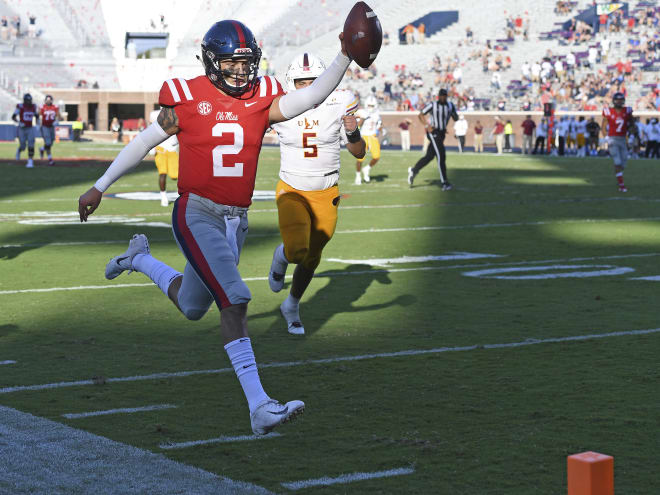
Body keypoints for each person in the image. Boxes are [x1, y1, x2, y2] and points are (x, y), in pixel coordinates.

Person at [77, 20, 354, 436]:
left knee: (192, 305)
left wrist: (345, 55)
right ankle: (260, 406)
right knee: (236, 299)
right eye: (232, 63)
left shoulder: (262, 98)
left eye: (247, 64)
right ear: (211, 62)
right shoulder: (186, 97)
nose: (242, 73)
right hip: (196, 212)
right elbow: (143, 142)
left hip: (235, 220)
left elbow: (314, 94)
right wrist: (100, 185)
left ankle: (139, 259)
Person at [268, 53, 365, 335]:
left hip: (326, 190)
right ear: (291, 83)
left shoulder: (340, 102)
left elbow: (359, 152)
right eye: (302, 82)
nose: (309, 87)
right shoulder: (279, 106)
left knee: (312, 257)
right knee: (297, 251)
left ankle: (292, 305)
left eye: (314, 81)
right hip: (292, 189)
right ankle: (281, 257)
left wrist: (355, 133)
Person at [407, 88, 458, 190]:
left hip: (441, 133)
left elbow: (455, 118)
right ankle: (445, 183)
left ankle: (414, 170)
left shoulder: (450, 105)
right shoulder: (433, 105)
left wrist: (453, 112)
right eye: (442, 96)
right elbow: (421, 114)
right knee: (441, 156)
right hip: (433, 132)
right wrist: (427, 125)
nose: (443, 98)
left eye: (445, 96)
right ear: (439, 96)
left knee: (429, 156)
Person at [601, 92, 634, 192]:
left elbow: (632, 124)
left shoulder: (627, 111)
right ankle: (621, 186)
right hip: (613, 139)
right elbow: (603, 126)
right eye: (617, 100)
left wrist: (632, 135)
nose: (619, 102)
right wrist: (606, 137)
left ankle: (618, 175)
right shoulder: (608, 111)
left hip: (623, 139)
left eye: (621, 100)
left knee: (623, 162)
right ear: (614, 101)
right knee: (617, 161)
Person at [149, 109, 179, 207]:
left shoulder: (178, 112)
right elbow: (151, 130)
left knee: (175, 176)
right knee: (162, 173)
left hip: (172, 148)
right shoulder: (154, 114)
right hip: (161, 148)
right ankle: (163, 197)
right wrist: (151, 146)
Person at [354, 95, 381, 184]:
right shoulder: (361, 112)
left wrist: (381, 129)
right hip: (363, 136)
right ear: (366, 105)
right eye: (369, 105)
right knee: (360, 158)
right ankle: (358, 175)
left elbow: (379, 125)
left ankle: (367, 169)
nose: (370, 107)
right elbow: (357, 124)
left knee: (376, 157)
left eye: (372, 106)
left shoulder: (377, 114)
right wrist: (362, 118)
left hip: (373, 136)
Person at [12, 93, 39, 168]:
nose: (29, 102)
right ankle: (19, 150)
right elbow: (13, 117)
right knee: (23, 146)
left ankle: (30, 161)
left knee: (31, 144)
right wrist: (19, 122)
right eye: (28, 100)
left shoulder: (33, 106)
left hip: (30, 128)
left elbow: (37, 116)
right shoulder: (20, 106)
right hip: (22, 129)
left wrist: (37, 124)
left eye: (30, 100)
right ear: (24, 100)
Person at [38, 95, 61, 166]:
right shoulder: (42, 107)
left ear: (52, 100)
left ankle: (42, 149)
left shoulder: (55, 107)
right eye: (47, 100)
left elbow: (59, 116)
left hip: (51, 126)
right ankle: (50, 160)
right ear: (45, 100)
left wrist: (57, 120)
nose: (48, 101)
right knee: (48, 143)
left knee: (51, 142)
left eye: (49, 100)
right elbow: (38, 116)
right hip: (45, 127)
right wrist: (39, 124)